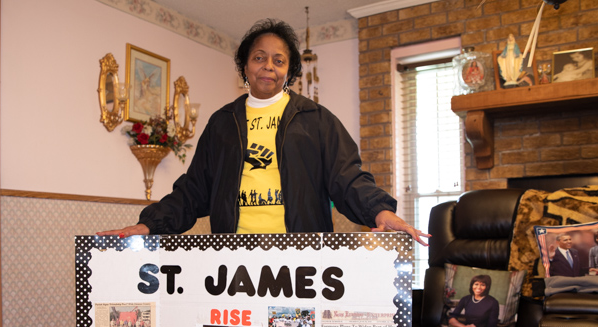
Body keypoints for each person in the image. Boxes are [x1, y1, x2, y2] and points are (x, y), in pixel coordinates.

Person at [97, 19, 428, 247]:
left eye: (279, 60)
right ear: (245, 66)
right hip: (233, 256)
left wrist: (381, 212)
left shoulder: (316, 119)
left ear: (290, 70)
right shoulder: (222, 123)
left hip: (302, 256)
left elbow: (349, 179)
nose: (268, 66)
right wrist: (148, 225)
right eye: (259, 58)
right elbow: (194, 191)